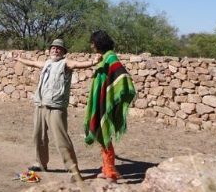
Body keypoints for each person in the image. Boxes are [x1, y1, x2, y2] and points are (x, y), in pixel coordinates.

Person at [15, 38, 98, 182]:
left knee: (61, 140)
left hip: (56, 107)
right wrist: (20, 59)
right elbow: (34, 63)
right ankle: (40, 164)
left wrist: (93, 62)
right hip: (40, 104)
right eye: (53, 48)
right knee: (38, 136)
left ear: (63, 52)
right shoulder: (47, 63)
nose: (55, 50)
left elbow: (78, 64)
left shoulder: (65, 63)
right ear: (50, 50)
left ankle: (74, 171)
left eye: (59, 48)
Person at [84, 30, 137, 183]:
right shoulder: (104, 57)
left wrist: (114, 97)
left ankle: (111, 173)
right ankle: (106, 169)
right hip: (101, 100)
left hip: (106, 102)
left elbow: (122, 76)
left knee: (105, 136)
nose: (91, 45)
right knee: (102, 137)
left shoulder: (111, 57)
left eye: (92, 42)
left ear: (98, 42)